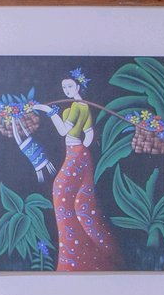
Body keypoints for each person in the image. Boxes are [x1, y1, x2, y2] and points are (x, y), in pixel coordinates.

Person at [32, 68, 121, 271]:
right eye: (64, 87)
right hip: (80, 153)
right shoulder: (81, 107)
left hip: (75, 153)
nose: (66, 90)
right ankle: (94, 256)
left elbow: (64, 131)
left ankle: (75, 259)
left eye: (70, 86)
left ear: (78, 86)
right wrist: (81, 151)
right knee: (81, 203)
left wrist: (48, 112)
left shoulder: (75, 107)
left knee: (61, 193)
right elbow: (88, 134)